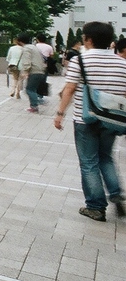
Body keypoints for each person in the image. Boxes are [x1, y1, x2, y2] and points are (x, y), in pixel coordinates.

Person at [54, 21, 126, 222]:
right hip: (112, 120)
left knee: (88, 163)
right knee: (106, 157)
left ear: (89, 39)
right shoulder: (122, 63)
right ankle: (116, 193)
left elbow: (70, 89)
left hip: (85, 119)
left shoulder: (81, 61)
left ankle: (95, 206)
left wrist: (60, 113)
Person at [17, 32, 47, 113]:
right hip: (40, 71)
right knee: (32, 89)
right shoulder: (34, 47)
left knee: (29, 89)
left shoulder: (26, 49)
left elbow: (27, 61)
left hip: (34, 71)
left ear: (20, 41)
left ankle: (34, 106)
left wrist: (25, 72)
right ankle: (35, 104)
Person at [36, 33, 56, 100]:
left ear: (37, 39)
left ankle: (35, 93)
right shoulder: (49, 47)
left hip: (36, 66)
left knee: (35, 79)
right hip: (45, 65)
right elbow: (51, 56)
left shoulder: (35, 46)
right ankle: (41, 95)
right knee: (43, 80)